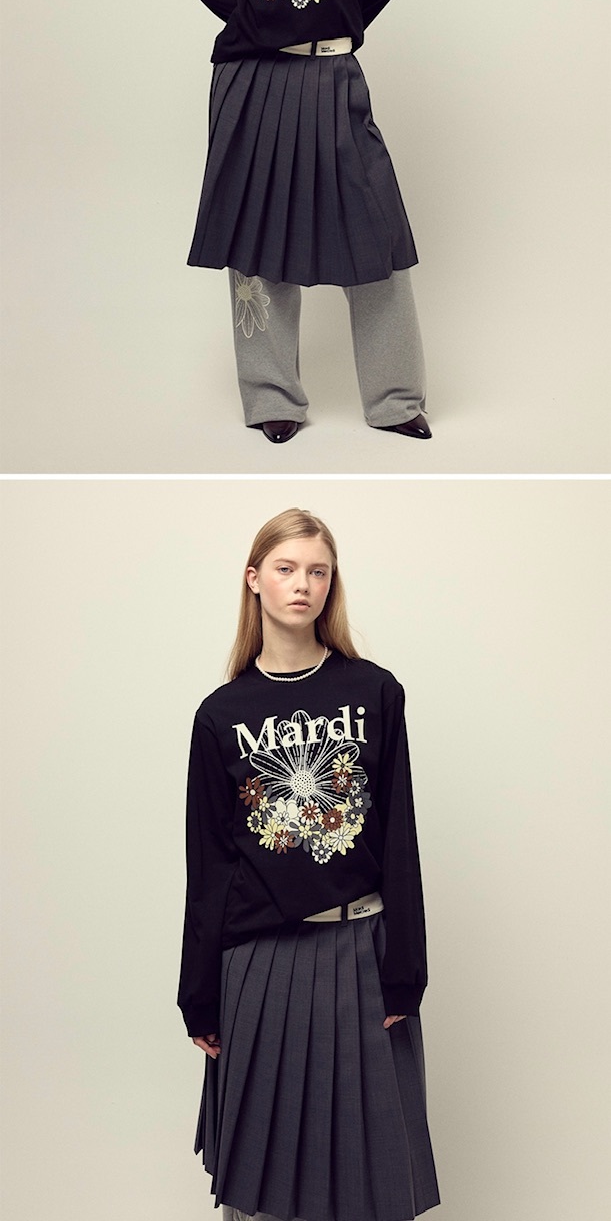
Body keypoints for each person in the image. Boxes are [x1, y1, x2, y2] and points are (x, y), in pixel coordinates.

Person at [178, 500, 440, 1215]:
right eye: (287, 568)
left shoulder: (374, 691)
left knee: (368, 1176)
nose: (303, 585)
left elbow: (399, 838)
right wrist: (198, 993)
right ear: (254, 579)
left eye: (318, 571)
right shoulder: (220, 715)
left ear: (332, 583)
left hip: (361, 948)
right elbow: (209, 865)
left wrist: (404, 971)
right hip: (259, 960)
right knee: (259, 1186)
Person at [180, 0, 430, 437]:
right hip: (252, 81)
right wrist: (252, 17)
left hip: (330, 74)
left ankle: (396, 402)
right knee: (256, 234)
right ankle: (273, 402)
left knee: (374, 233)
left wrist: (343, 19)